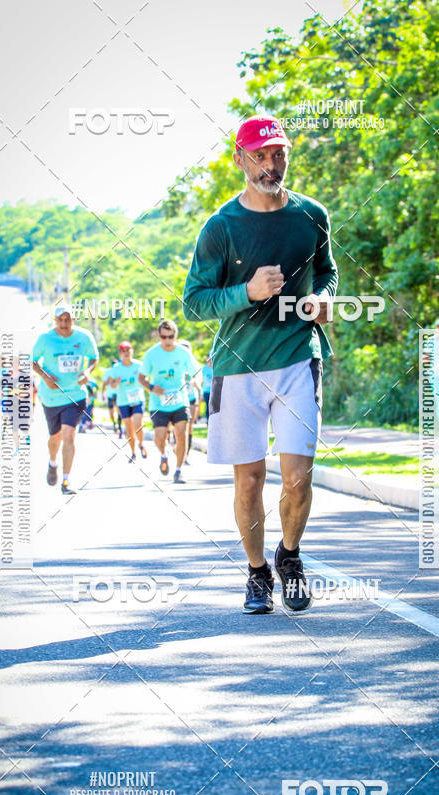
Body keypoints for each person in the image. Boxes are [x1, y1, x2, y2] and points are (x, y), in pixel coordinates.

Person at [183, 114, 338, 615]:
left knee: (298, 478)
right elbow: (194, 303)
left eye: (278, 154)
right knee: (248, 481)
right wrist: (245, 292)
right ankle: (256, 574)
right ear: (239, 159)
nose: (271, 164)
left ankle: (289, 557)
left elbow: (328, 272)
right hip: (236, 367)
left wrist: (322, 298)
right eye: (259, 155)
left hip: (298, 358)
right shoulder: (221, 227)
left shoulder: (312, 215)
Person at [32, 301, 99, 494]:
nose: (64, 323)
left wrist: (87, 372)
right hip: (52, 396)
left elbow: (94, 357)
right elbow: (32, 361)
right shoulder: (45, 339)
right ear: (55, 321)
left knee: (69, 434)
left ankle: (66, 481)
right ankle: (52, 463)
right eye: (60, 320)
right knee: (55, 437)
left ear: (73, 319)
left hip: (75, 395)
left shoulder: (84, 337)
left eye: (67, 319)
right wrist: (45, 377)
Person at [139, 320, 198, 484]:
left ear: (175, 336)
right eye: (164, 337)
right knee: (159, 437)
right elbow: (141, 377)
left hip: (180, 401)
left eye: (170, 337)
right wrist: (151, 387)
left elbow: (196, 372)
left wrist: (194, 382)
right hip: (159, 404)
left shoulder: (183, 353)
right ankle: (164, 456)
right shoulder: (151, 354)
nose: (167, 341)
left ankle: (178, 471)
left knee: (181, 434)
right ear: (159, 336)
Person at [109, 341, 147, 461]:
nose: (126, 353)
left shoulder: (139, 365)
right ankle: (133, 452)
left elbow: (145, 379)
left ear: (132, 351)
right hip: (123, 401)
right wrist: (116, 382)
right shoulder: (116, 368)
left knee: (138, 423)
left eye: (128, 350)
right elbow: (112, 385)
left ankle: (141, 444)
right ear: (120, 353)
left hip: (137, 399)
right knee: (129, 429)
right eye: (123, 351)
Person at [179, 339, 202, 465]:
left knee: (189, 425)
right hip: (179, 400)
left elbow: (199, 382)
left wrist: (195, 383)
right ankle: (178, 447)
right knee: (178, 427)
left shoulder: (194, 364)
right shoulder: (176, 362)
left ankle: (186, 455)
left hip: (192, 397)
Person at [102, 360, 121, 436]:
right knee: (111, 411)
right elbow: (105, 383)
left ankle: (119, 426)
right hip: (110, 394)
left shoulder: (120, 370)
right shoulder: (108, 372)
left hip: (119, 393)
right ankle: (114, 424)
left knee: (119, 410)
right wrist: (111, 379)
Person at [201, 355, 213, 421]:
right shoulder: (204, 368)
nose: (209, 360)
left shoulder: (214, 368)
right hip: (206, 391)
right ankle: (208, 421)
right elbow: (201, 380)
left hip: (213, 391)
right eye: (208, 359)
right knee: (207, 406)